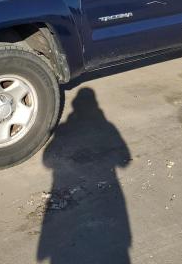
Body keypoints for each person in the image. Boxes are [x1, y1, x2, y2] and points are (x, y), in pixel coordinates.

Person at [37, 87, 132, 264]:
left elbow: (46, 161)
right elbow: (125, 160)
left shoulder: (64, 127)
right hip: (109, 203)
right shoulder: (107, 126)